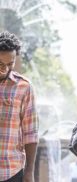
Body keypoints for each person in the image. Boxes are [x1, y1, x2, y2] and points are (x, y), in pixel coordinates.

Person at [0, 31, 39, 182]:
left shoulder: (24, 87)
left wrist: (29, 172)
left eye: (10, 64)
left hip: (12, 172)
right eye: (0, 64)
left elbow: (31, 132)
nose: (4, 69)